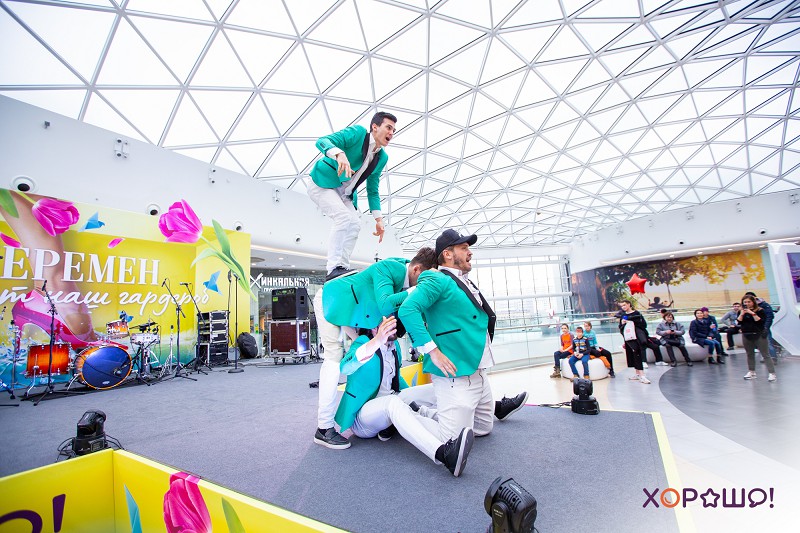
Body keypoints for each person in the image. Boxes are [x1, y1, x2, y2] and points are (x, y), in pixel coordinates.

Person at [398, 229, 528, 442]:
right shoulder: (435, 278)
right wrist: (433, 351)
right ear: (448, 254)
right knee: (451, 439)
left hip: (477, 370)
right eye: (464, 248)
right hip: (455, 374)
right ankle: (404, 414)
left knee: (483, 428)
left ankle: (431, 412)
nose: (470, 252)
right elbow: (407, 310)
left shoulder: (463, 280)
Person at [313, 248, 438, 450]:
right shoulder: (388, 268)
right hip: (331, 302)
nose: (425, 286)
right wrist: (417, 290)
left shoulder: (410, 274)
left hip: (357, 314)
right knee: (335, 357)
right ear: (416, 270)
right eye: (425, 281)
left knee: (378, 354)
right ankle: (324, 427)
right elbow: (386, 304)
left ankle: (379, 412)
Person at [335, 316, 475, 476]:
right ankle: (443, 454)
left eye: (392, 320)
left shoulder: (395, 346)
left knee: (435, 388)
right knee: (393, 403)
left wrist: (411, 401)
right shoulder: (362, 343)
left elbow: (396, 377)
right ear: (374, 327)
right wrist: (377, 341)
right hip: (363, 418)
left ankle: (461, 424)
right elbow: (345, 367)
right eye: (386, 322)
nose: (392, 324)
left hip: (391, 401)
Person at [307, 112, 397, 281]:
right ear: (375, 127)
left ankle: (342, 267)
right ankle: (333, 268)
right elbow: (322, 141)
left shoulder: (382, 157)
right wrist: (339, 154)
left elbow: (372, 189)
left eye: (394, 130)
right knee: (343, 217)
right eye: (388, 127)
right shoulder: (358, 133)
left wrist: (378, 219)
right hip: (322, 183)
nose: (391, 133)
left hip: (345, 193)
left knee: (354, 224)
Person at [739, 295, 776, 382]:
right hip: (746, 334)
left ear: (753, 302)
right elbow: (739, 322)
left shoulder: (760, 310)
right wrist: (742, 314)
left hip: (758, 334)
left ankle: (772, 373)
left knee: (765, 354)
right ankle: (751, 372)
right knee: (749, 354)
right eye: (745, 302)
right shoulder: (741, 311)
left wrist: (752, 313)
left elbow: (760, 321)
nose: (747, 304)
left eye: (749, 302)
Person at [617, 300, 650, 384]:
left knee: (637, 353)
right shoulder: (623, 315)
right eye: (622, 306)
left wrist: (633, 322)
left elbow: (643, 325)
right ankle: (638, 373)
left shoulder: (636, 313)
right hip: (629, 337)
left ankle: (642, 375)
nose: (623, 307)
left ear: (629, 304)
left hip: (637, 337)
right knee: (633, 354)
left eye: (624, 305)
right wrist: (623, 323)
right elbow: (620, 327)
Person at [744, 291, 778, 364]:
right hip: (754, 329)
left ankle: (773, 358)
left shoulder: (764, 305)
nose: (747, 303)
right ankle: (766, 357)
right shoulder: (748, 308)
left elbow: (769, 316)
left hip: (763, 327)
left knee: (768, 342)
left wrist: (766, 327)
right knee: (760, 343)